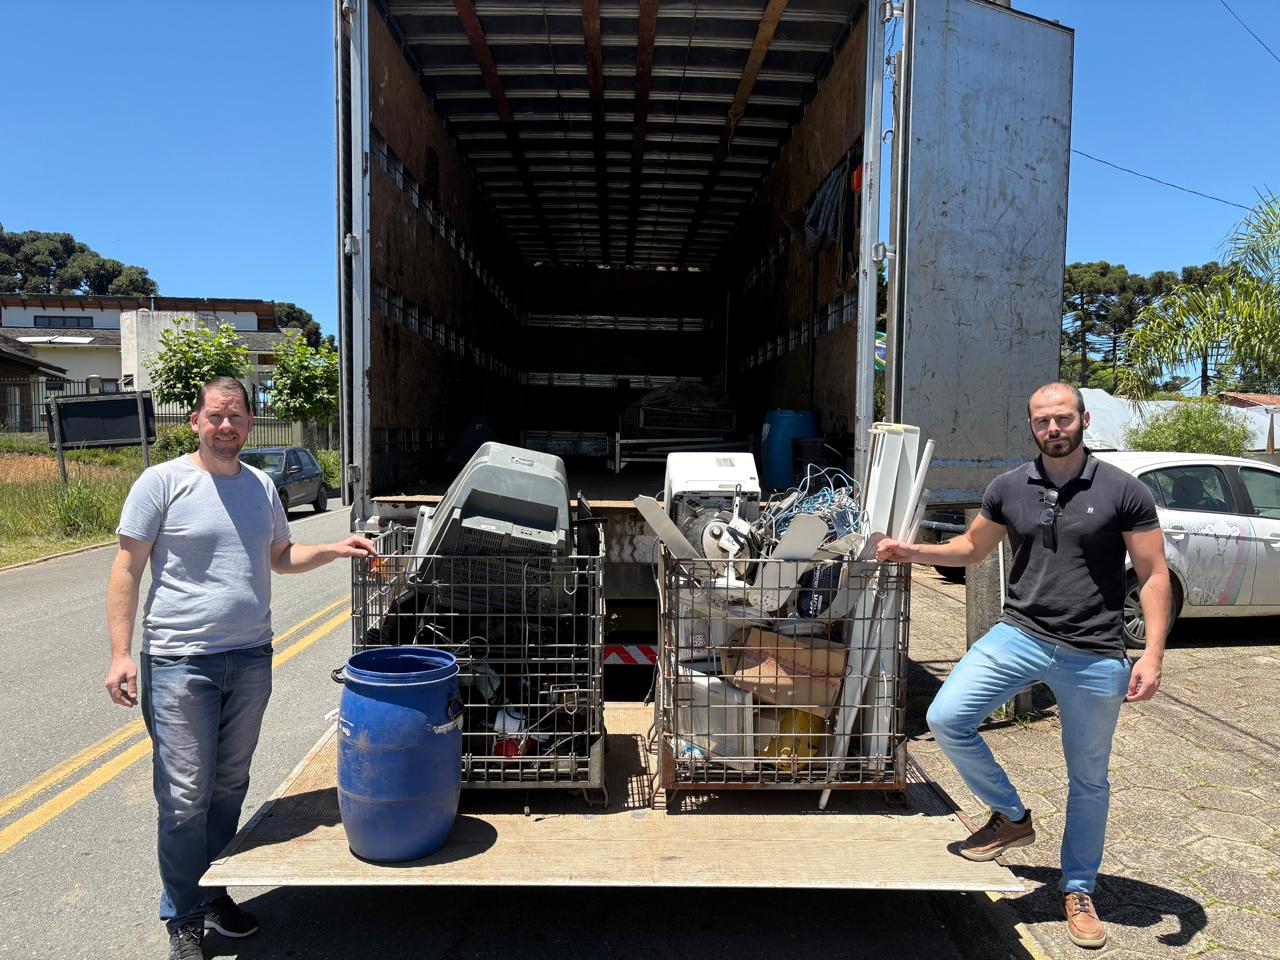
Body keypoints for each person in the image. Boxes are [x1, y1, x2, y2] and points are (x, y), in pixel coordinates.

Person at [876, 381, 1170, 950]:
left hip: (1094, 653)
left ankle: (1078, 888)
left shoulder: (1123, 490)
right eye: (1042, 421)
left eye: (1063, 418)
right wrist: (911, 551)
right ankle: (1011, 816)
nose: (1053, 429)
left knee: (1089, 780)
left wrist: (1152, 654)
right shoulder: (1010, 487)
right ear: (1032, 427)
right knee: (946, 717)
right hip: (1019, 635)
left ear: (1083, 420)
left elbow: (1154, 573)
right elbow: (971, 549)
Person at [105, 376, 377, 960]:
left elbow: (279, 556)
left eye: (237, 417)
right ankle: (181, 914)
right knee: (184, 796)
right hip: (179, 661)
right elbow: (127, 569)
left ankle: (212, 891)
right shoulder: (162, 483)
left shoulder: (260, 486)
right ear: (195, 422)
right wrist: (122, 653)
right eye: (215, 416)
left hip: (251, 657)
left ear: (250, 423)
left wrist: (332, 548)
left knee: (229, 787)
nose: (226, 426)